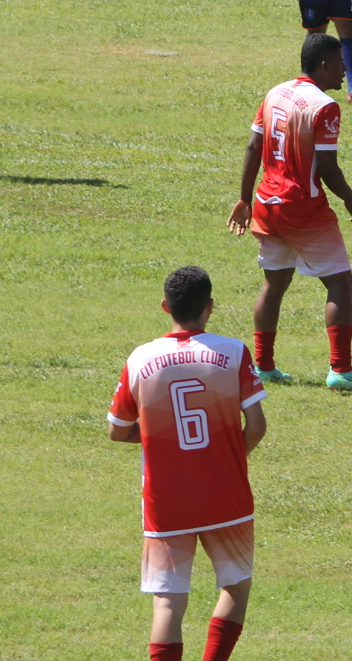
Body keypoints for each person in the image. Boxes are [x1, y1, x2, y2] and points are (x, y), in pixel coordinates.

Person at [108, 266, 267, 661]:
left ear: (166, 307)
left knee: (167, 604)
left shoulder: (141, 358)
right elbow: (258, 426)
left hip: (166, 500)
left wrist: (160, 447)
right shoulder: (232, 351)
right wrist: (228, 460)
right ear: (210, 307)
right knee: (235, 586)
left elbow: (117, 430)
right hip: (224, 494)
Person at [225, 32, 352, 392]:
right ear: (324, 65)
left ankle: (263, 366)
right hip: (303, 208)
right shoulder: (324, 106)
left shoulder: (275, 93)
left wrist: (244, 198)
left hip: (267, 203)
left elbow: (253, 145)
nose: (346, 68)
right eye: (341, 62)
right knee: (341, 283)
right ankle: (341, 369)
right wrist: (350, 198)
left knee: (274, 283)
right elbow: (327, 168)